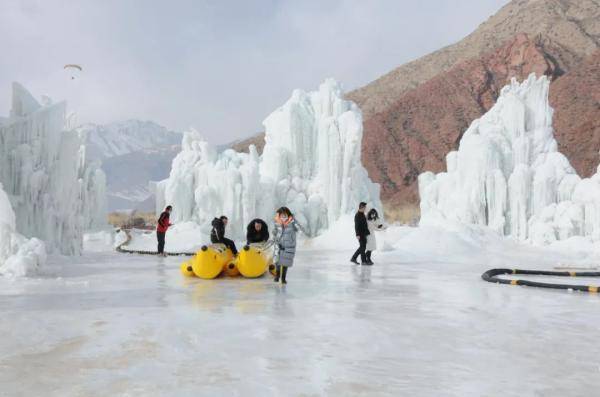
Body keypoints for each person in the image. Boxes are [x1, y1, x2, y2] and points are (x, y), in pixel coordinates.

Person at [272, 207, 306, 284]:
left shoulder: (292, 222)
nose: (283, 217)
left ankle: (283, 278)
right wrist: (274, 234)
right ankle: (277, 276)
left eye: (285, 215)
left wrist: (295, 223)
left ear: (288, 214)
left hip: (288, 246)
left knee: (285, 262)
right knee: (277, 261)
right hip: (278, 244)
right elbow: (275, 231)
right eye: (281, 215)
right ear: (279, 215)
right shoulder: (277, 222)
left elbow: (300, 229)